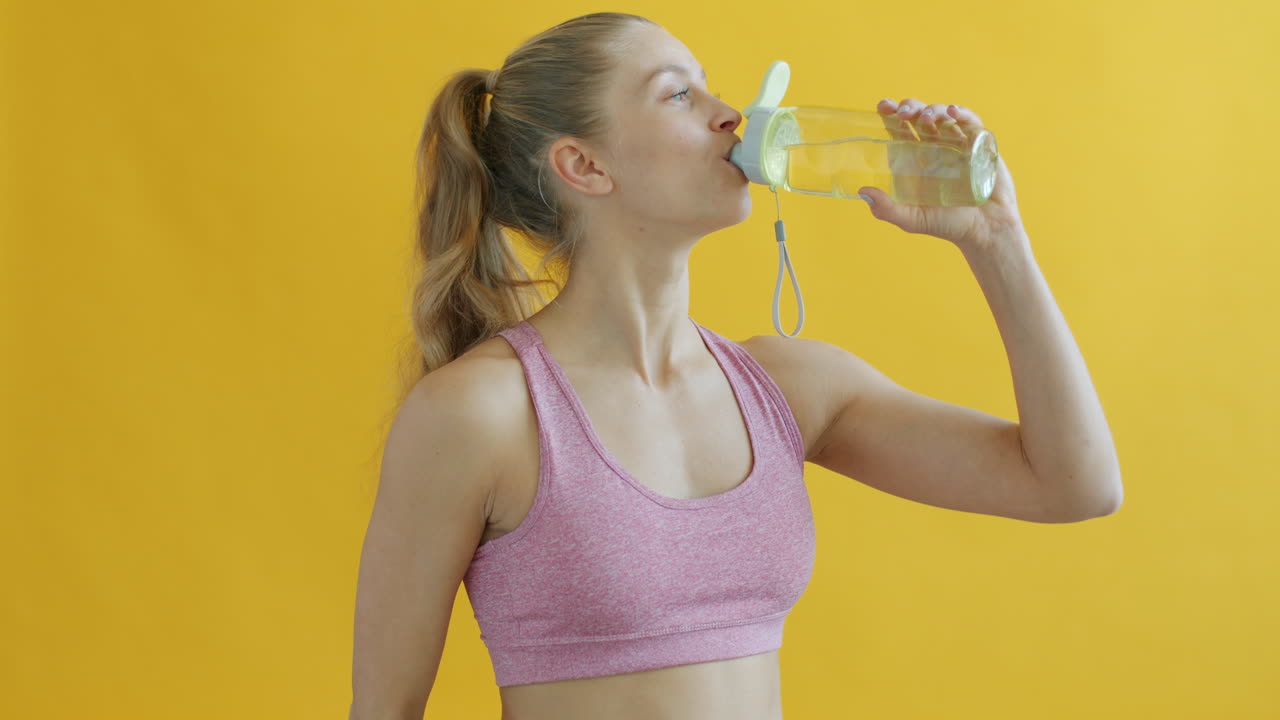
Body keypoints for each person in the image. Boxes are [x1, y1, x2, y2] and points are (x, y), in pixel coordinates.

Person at [349, 11, 1123, 720]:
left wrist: (997, 240)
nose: (732, 116)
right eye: (679, 95)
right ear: (584, 165)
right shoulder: (483, 412)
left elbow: (1073, 484)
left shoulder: (789, 388)